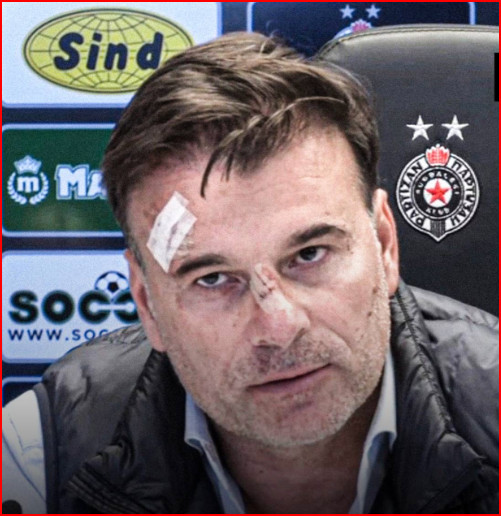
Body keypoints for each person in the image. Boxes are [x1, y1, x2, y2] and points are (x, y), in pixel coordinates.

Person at [2, 32, 498, 514]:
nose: (279, 328)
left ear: (385, 244)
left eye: (310, 254)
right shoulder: (38, 459)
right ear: (147, 303)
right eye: (213, 278)